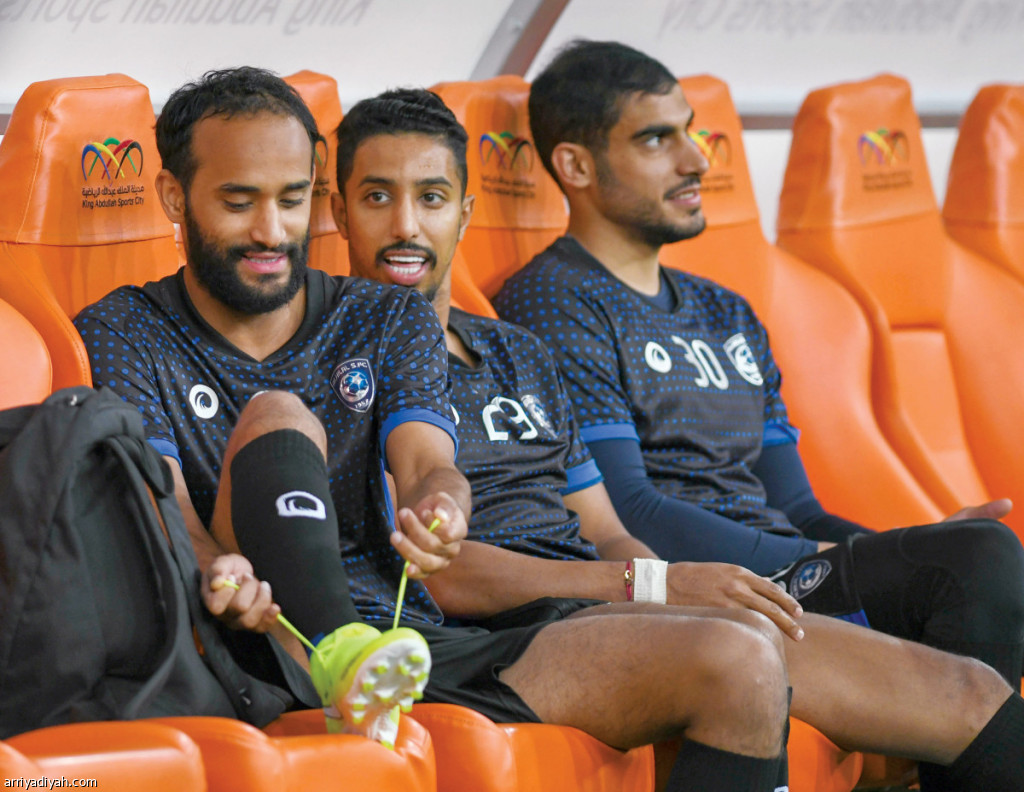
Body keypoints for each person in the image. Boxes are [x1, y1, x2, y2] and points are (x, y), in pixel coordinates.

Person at [77, 67, 797, 792]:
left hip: (410, 648)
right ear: (175, 196)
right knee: (278, 412)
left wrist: (444, 510)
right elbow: (164, 503)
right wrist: (213, 568)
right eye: (239, 203)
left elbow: (427, 465)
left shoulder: (388, 316)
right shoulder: (125, 327)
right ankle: (335, 654)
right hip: (255, 640)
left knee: (742, 662)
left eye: (291, 201)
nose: (271, 231)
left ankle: (361, 668)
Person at [334, 85, 1024, 792]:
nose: (406, 226)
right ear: (338, 213)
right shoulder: (336, 360)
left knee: (970, 695)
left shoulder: (518, 351)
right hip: (506, 636)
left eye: (432, 198)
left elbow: (605, 527)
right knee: (741, 658)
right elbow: (429, 570)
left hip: (605, 605)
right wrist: (651, 584)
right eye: (378, 198)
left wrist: (665, 589)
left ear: (464, 213)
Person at [495, 39, 1024, 686]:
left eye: (689, 131)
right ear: (576, 166)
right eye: (656, 140)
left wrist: (893, 550)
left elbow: (797, 505)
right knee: (976, 562)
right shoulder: (553, 299)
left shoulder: (727, 311)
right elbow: (629, 510)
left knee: (969, 559)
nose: (696, 159)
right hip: (703, 593)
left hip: (790, 573)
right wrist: (863, 558)